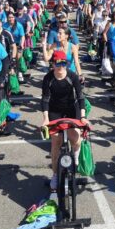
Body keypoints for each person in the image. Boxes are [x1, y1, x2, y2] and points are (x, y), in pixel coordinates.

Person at [40, 51, 87, 191]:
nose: (60, 66)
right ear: (52, 64)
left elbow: (80, 97)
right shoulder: (48, 79)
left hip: (72, 109)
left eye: (63, 63)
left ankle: (76, 157)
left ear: (66, 64)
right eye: (57, 63)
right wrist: (46, 119)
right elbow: (45, 99)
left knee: (76, 138)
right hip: (55, 110)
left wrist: (83, 117)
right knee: (55, 141)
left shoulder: (72, 76)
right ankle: (55, 175)